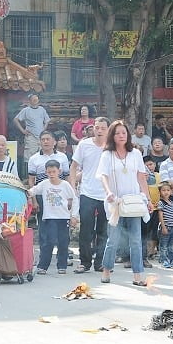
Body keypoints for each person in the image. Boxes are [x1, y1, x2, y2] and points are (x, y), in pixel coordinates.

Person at [98, 120, 150, 286]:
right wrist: (109, 192)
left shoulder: (135, 153)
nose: (121, 136)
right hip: (116, 203)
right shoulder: (107, 155)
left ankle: (138, 275)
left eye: (124, 133)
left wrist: (147, 199)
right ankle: (106, 270)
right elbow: (103, 176)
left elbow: (141, 177)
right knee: (113, 239)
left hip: (133, 202)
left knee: (135, 240)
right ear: (112, 135)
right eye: (118, 133)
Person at [70, 116, 110, 273]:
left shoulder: (112, 147)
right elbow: (73, 167)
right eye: (97, 127)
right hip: (87, 192)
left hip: (106, 194)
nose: (99, 131)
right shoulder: (84, 144)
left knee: (103, 230)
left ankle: (100, 262)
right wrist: (73, 187)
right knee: (86, 229)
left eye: (103, 128)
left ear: (108, 129)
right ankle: (85, 262)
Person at [29, 160, 78, 274]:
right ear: (46, 172)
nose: (51, 174)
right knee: (48, 242)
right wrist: (26, 193)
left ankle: (62, 266)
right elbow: (34, 190)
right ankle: (43, 266)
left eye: (54, 171)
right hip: (49, 217)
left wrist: (74, 216)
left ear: (59, 171)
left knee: (63, 242)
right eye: (49, 172)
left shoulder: (65, 185)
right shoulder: (45, 184)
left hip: (63, 217)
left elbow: (74, 199)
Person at [13, 94, 50, 164]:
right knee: (30, 158)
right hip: (31, 137)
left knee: (43, 156)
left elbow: (47, 120)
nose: (35, 100)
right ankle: (30, 174)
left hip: (41, 137)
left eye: (36, 98)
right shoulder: (26, 110)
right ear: (29, 101)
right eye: (33, 99)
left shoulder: (42, 109)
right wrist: (23, 131)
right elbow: (16, 119)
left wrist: (44, 129)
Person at [157, 183, 173, 268]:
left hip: (172, 226)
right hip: (166, 227)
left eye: (168, 190)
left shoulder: (171, 202)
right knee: (164, 245)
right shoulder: (161, 203)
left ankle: (172, 259)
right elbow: (160, 215)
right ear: (160, 192)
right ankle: (164, 259)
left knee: (171, 245)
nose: (166, 192)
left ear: (171, 192)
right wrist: (163, 226)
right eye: (163, 190)